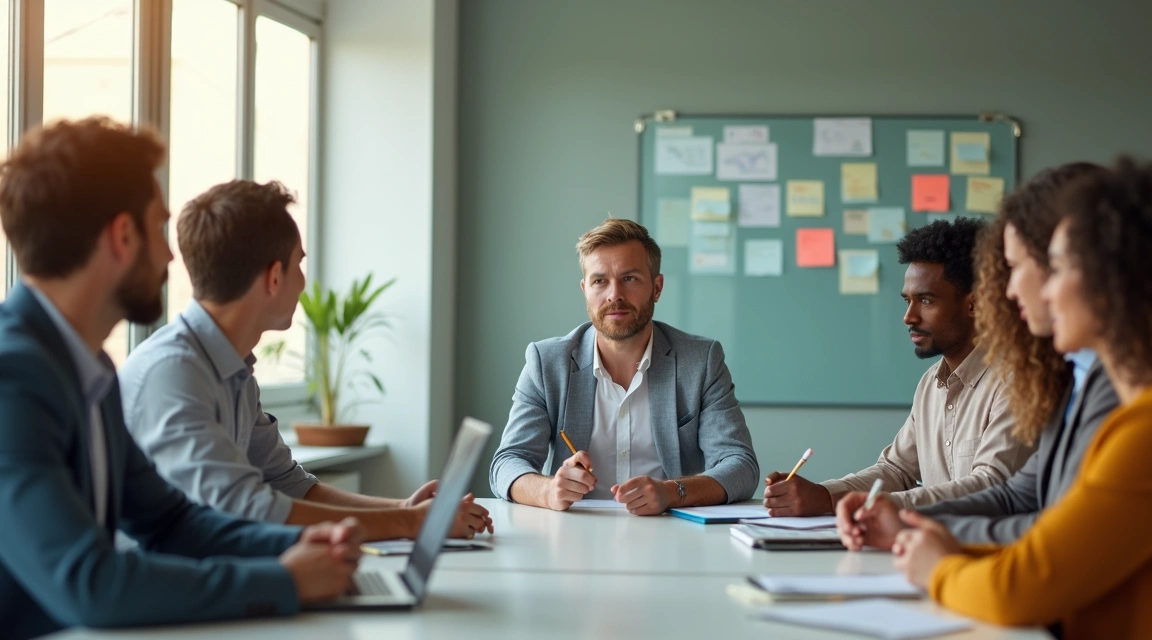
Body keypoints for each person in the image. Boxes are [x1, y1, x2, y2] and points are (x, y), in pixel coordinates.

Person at [0, 118, 363, 640]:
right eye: (158, 228)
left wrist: (307, 546)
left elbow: (171, 523)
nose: (172, 256)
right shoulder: (13, 377)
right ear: (123, 236)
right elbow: (89, 582)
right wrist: (281, 581)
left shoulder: (90, 369)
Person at [893, 158, 1152, 638]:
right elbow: (1040, 528)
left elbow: (1021, 585)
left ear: (1119, 284)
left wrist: (936, 567)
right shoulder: (1147, 411)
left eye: (1058, 267)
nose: (1025, 288)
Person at [120, 180, 492, 541]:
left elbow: (289, 485)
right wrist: (411, 524)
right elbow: (246, 508)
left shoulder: (233, 371)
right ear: (275, 277)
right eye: (299, 264)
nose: (303, 281)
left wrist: (405, 508)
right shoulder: (173, 373)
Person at [837, 163, 1120, 549]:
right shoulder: (1079, 377)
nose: (1011, 289)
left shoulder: (1114, 391)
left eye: (1021, 268)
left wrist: (912, 532)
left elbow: (1058, 537)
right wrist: (893, 518)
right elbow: (1015, 495)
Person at [489, 218, 759, 515]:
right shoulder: (546, 362)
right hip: (574, 535)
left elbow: (740, 466)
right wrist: (548, 491)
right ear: (585, 290)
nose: (614, 294)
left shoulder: (700, 361)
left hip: (671, 533)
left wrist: (671, 492)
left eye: (629, 279)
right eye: (599, 281)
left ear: (657, 287)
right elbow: (507, 463)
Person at [765, 218, 1032, 516]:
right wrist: (826, 494)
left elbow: (990, 486)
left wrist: (859, 504)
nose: (909, 317)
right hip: (928, 549)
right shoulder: (931, 383)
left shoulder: (1017, 380)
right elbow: (896, 470)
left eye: (926, 301)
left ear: (975, 305)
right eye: (907, 300)